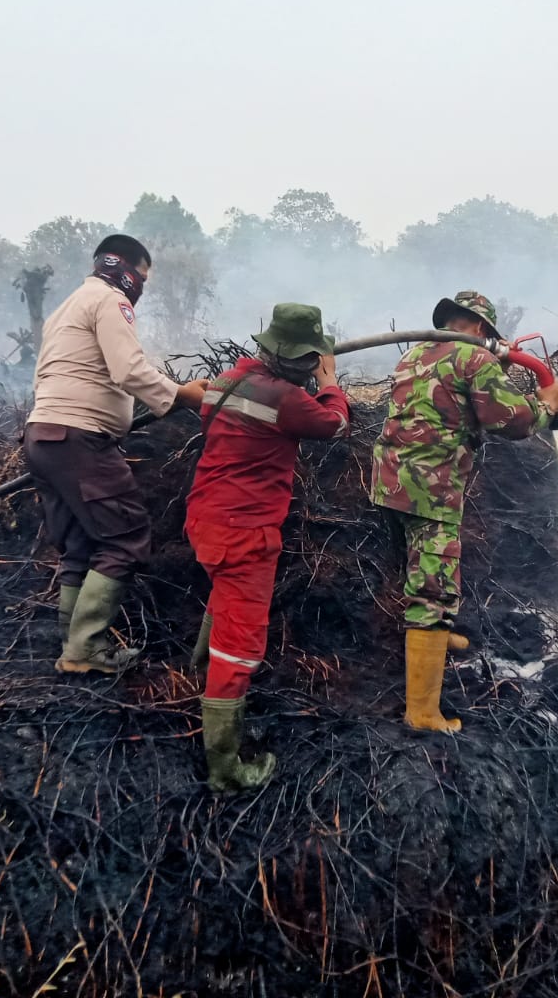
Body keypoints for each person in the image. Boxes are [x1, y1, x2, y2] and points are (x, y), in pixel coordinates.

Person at [369, 291, 558, 733]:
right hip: (431, 490)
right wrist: (547, 405)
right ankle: (422, 712)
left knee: (415, 566)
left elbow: (450, 395)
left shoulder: (416, 354)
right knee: (434, 588)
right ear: (479, 328)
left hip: (391, 480)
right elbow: (508, 421)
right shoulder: (473, 359)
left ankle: (437, 638)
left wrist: (497, 371)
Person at [24, 234, 210, 674]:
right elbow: (127, 368)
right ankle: (85, 650)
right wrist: (181, 394)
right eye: (142, 277)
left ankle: (72, 643)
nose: (140, 288)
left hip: (44, 435)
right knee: (126, 537)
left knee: (79, 544)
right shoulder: (110, 300)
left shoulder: (68, 305)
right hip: (79, 438)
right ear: (126, 269)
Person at [185, 304, 349, 791]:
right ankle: (225, 766)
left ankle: (197, 675)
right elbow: (333, 424)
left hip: (206, 518)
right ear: (301, 359)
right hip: (245, 532)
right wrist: (332, 381)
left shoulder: (227, 380)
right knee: (240, 646)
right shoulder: (286, 399)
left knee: (224, 598)